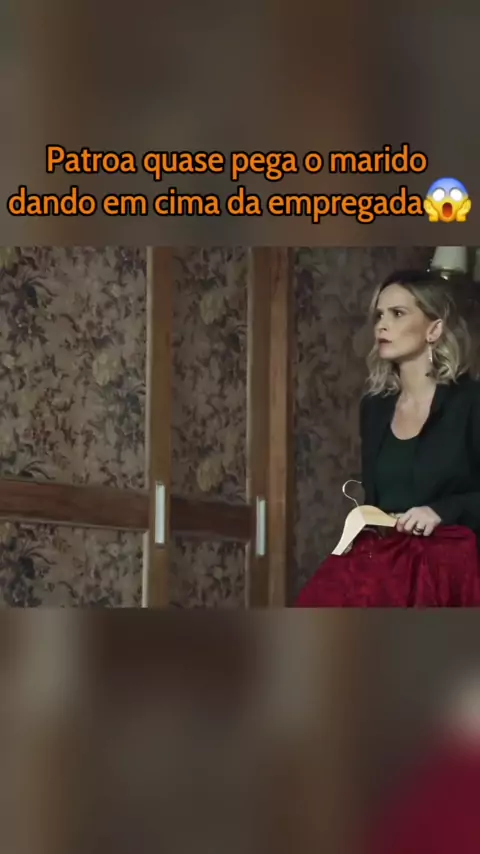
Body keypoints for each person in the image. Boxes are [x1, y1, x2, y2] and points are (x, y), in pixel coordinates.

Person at [296, 269, 480, 607]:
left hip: (451, 567)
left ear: (434, 329)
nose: (382, 325)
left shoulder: (470, 403)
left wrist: (441, 511)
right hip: (386, 560)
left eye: (397, 314)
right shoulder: (374, 407)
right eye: (379, 315)